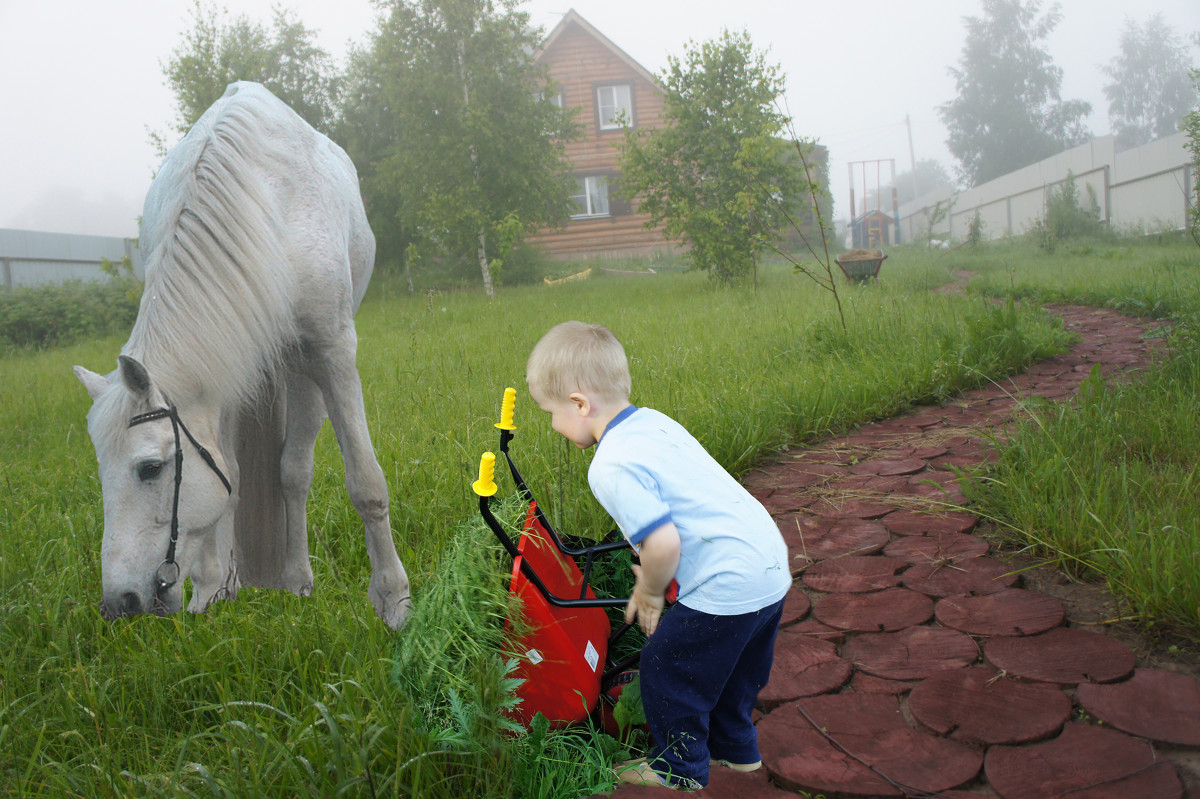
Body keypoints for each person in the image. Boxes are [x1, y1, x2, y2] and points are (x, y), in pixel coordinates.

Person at [525, 321, 791, 790]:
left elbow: (663, 544)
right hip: (768, 566)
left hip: (725, 581)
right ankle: (735, 750)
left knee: (667, 667)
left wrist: (648, 592)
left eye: (550, 411)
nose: (552, 424)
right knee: (733, 667)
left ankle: (677, 768)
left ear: (580, 404)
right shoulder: (653, 422)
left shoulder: (610, 464)